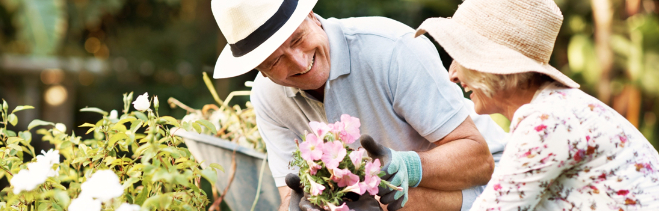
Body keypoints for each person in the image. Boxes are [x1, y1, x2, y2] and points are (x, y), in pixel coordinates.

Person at [210, 0, 508, 210]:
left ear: (312, 15)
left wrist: (409, 166)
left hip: (494, 189)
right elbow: (290, 194)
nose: (300, 63)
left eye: (298, 39)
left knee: (382, 201)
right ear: (259, 69)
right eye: (275, 61)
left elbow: (480, 162)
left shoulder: (392, 49)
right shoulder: (267, 97)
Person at [413, 0, 659, 210]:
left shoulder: (548, 124)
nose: (452, 74)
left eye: (461, 56)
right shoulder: (555, 110)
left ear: (495, 67)